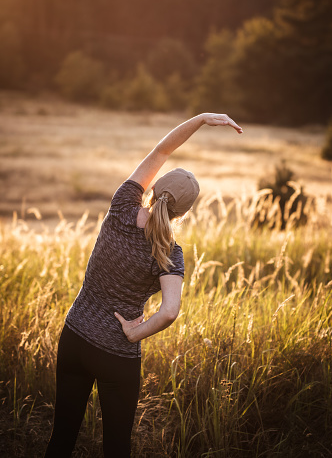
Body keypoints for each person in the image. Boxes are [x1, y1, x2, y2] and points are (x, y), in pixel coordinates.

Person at [44, 112, 243, 458]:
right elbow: (169, 311)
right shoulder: (169, 254)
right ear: (183, 213)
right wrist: (135, 334)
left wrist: (201, 120)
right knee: (116, 448)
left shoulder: (122, 204)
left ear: (152, 189)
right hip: (116, 354)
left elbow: (162, 150)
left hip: (74, 336)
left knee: (61, 440)